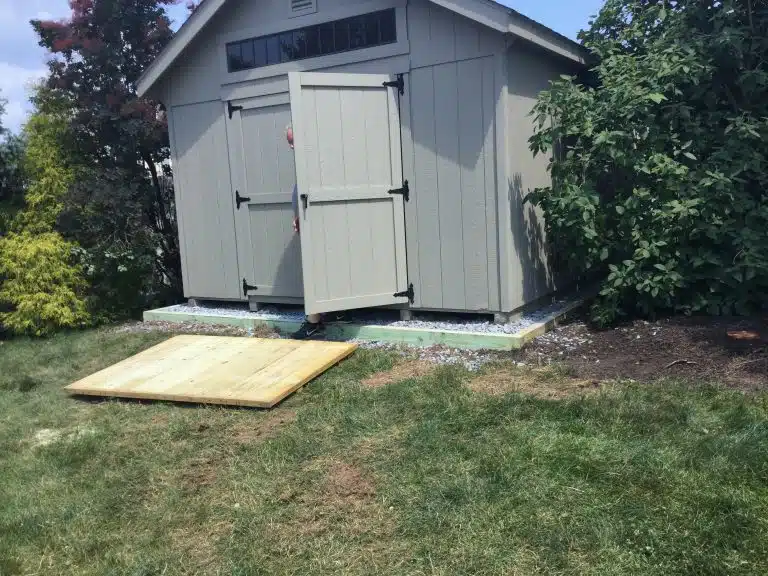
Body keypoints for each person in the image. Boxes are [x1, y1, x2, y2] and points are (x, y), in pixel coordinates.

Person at [287, 124, 325, 340]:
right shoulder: (305, 161)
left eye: (293, 141)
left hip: (313, 223)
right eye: (289, 142)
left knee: (313, 271)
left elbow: (310, 194)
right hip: (306, 221)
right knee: (315, 271)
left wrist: (302, 216)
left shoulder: (312, 161)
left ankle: (313, 323)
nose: (291, 146)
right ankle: (326, 315)